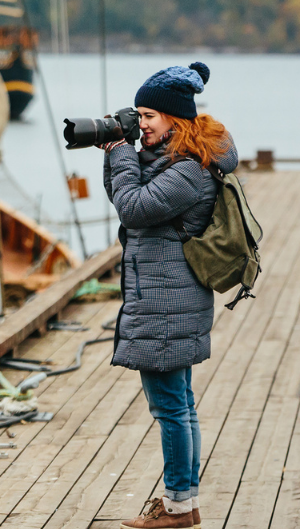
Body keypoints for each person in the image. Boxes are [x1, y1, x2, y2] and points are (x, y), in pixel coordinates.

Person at [100, 62, 238, 529]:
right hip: (167, 298)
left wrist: (121, 152)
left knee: (170, 408)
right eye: (138, 117)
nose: (141, 125)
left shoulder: (188, 172)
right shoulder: (177, 161)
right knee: (179, 404)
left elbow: (134, 208)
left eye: (148, 116)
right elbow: (126, 195)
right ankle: (185, 504)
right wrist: (115, 151)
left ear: (175, 119)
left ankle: (178, 507)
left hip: (166, 303)